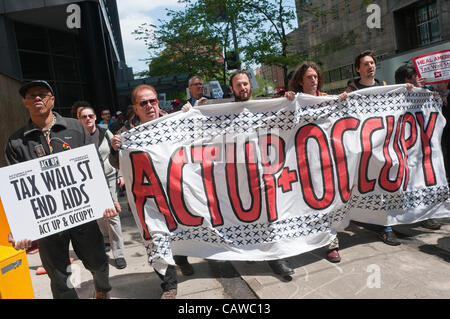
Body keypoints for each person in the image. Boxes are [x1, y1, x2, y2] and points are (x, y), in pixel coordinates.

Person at [5, 80, 118, 299]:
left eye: (42, 94)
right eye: (31, 95)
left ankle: (102, 289)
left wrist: (106, 199)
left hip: (82, 215)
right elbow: (16, 189)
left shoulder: (75, 129)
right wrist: (20, 227)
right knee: (58, 276)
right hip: (48, 223)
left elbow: (93, 167)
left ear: (52, 99)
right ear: (24, 102)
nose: (37, 98)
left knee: (98, 262)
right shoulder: (16, 142)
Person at [109, 84, 192, 299]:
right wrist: (115, 149)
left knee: (180, 230)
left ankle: (182, 258)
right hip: (147, 198)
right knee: (156, 238)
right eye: (143, 103)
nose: (149, 106)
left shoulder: (173, 121)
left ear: (158, 102)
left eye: (152, 101)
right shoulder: (125, 133)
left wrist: (191, 115)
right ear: (135, 108)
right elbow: (116, 163)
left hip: (177, 191)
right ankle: (169, 284)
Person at [229, 70, 295, 279]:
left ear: (251, 85)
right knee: (243, 215)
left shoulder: (263, 108)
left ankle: (276, 258)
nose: (243, 88)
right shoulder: (222, 112)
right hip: (235, 176)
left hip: (264, 173)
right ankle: (251, 250)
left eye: (246, 84)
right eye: (238, 85)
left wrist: (289, 101)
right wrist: (188, 110)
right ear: (231, 89)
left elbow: (289, 120)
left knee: (268, 214)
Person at [284, 61, 347, 263]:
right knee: (306, 203)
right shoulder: (295, 102)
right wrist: (287, 101)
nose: (314, 80)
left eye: (316, 77)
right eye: (309, 77)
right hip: (302, 161)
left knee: (328, 201)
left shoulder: (329, 99)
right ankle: (307, 239)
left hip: (328, 161)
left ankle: (331, 243)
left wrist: (345, 100)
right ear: (300, 82)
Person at [345, 50, 402, 246]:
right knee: (364, 186)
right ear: (357, 69)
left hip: (383, 145)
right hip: (363, 148)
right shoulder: (351, 91)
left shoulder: (384, 87)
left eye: (372, 63)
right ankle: (372, 221)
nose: (370, 66)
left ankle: (385, 226)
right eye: (366, 64)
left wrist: (408, 89)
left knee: (384, 184)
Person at [77, 105, 127, 269]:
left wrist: (120, 174)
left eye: (90, 115)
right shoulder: (76, 137)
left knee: (112, 214)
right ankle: (106, 239)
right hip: (90, 181)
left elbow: (116, 151)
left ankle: (119, 253)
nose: (87, 119)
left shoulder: (105, 132)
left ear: (95, 116)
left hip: (110, 177)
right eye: (83, 116)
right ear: (79, 119)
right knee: (99, 213)